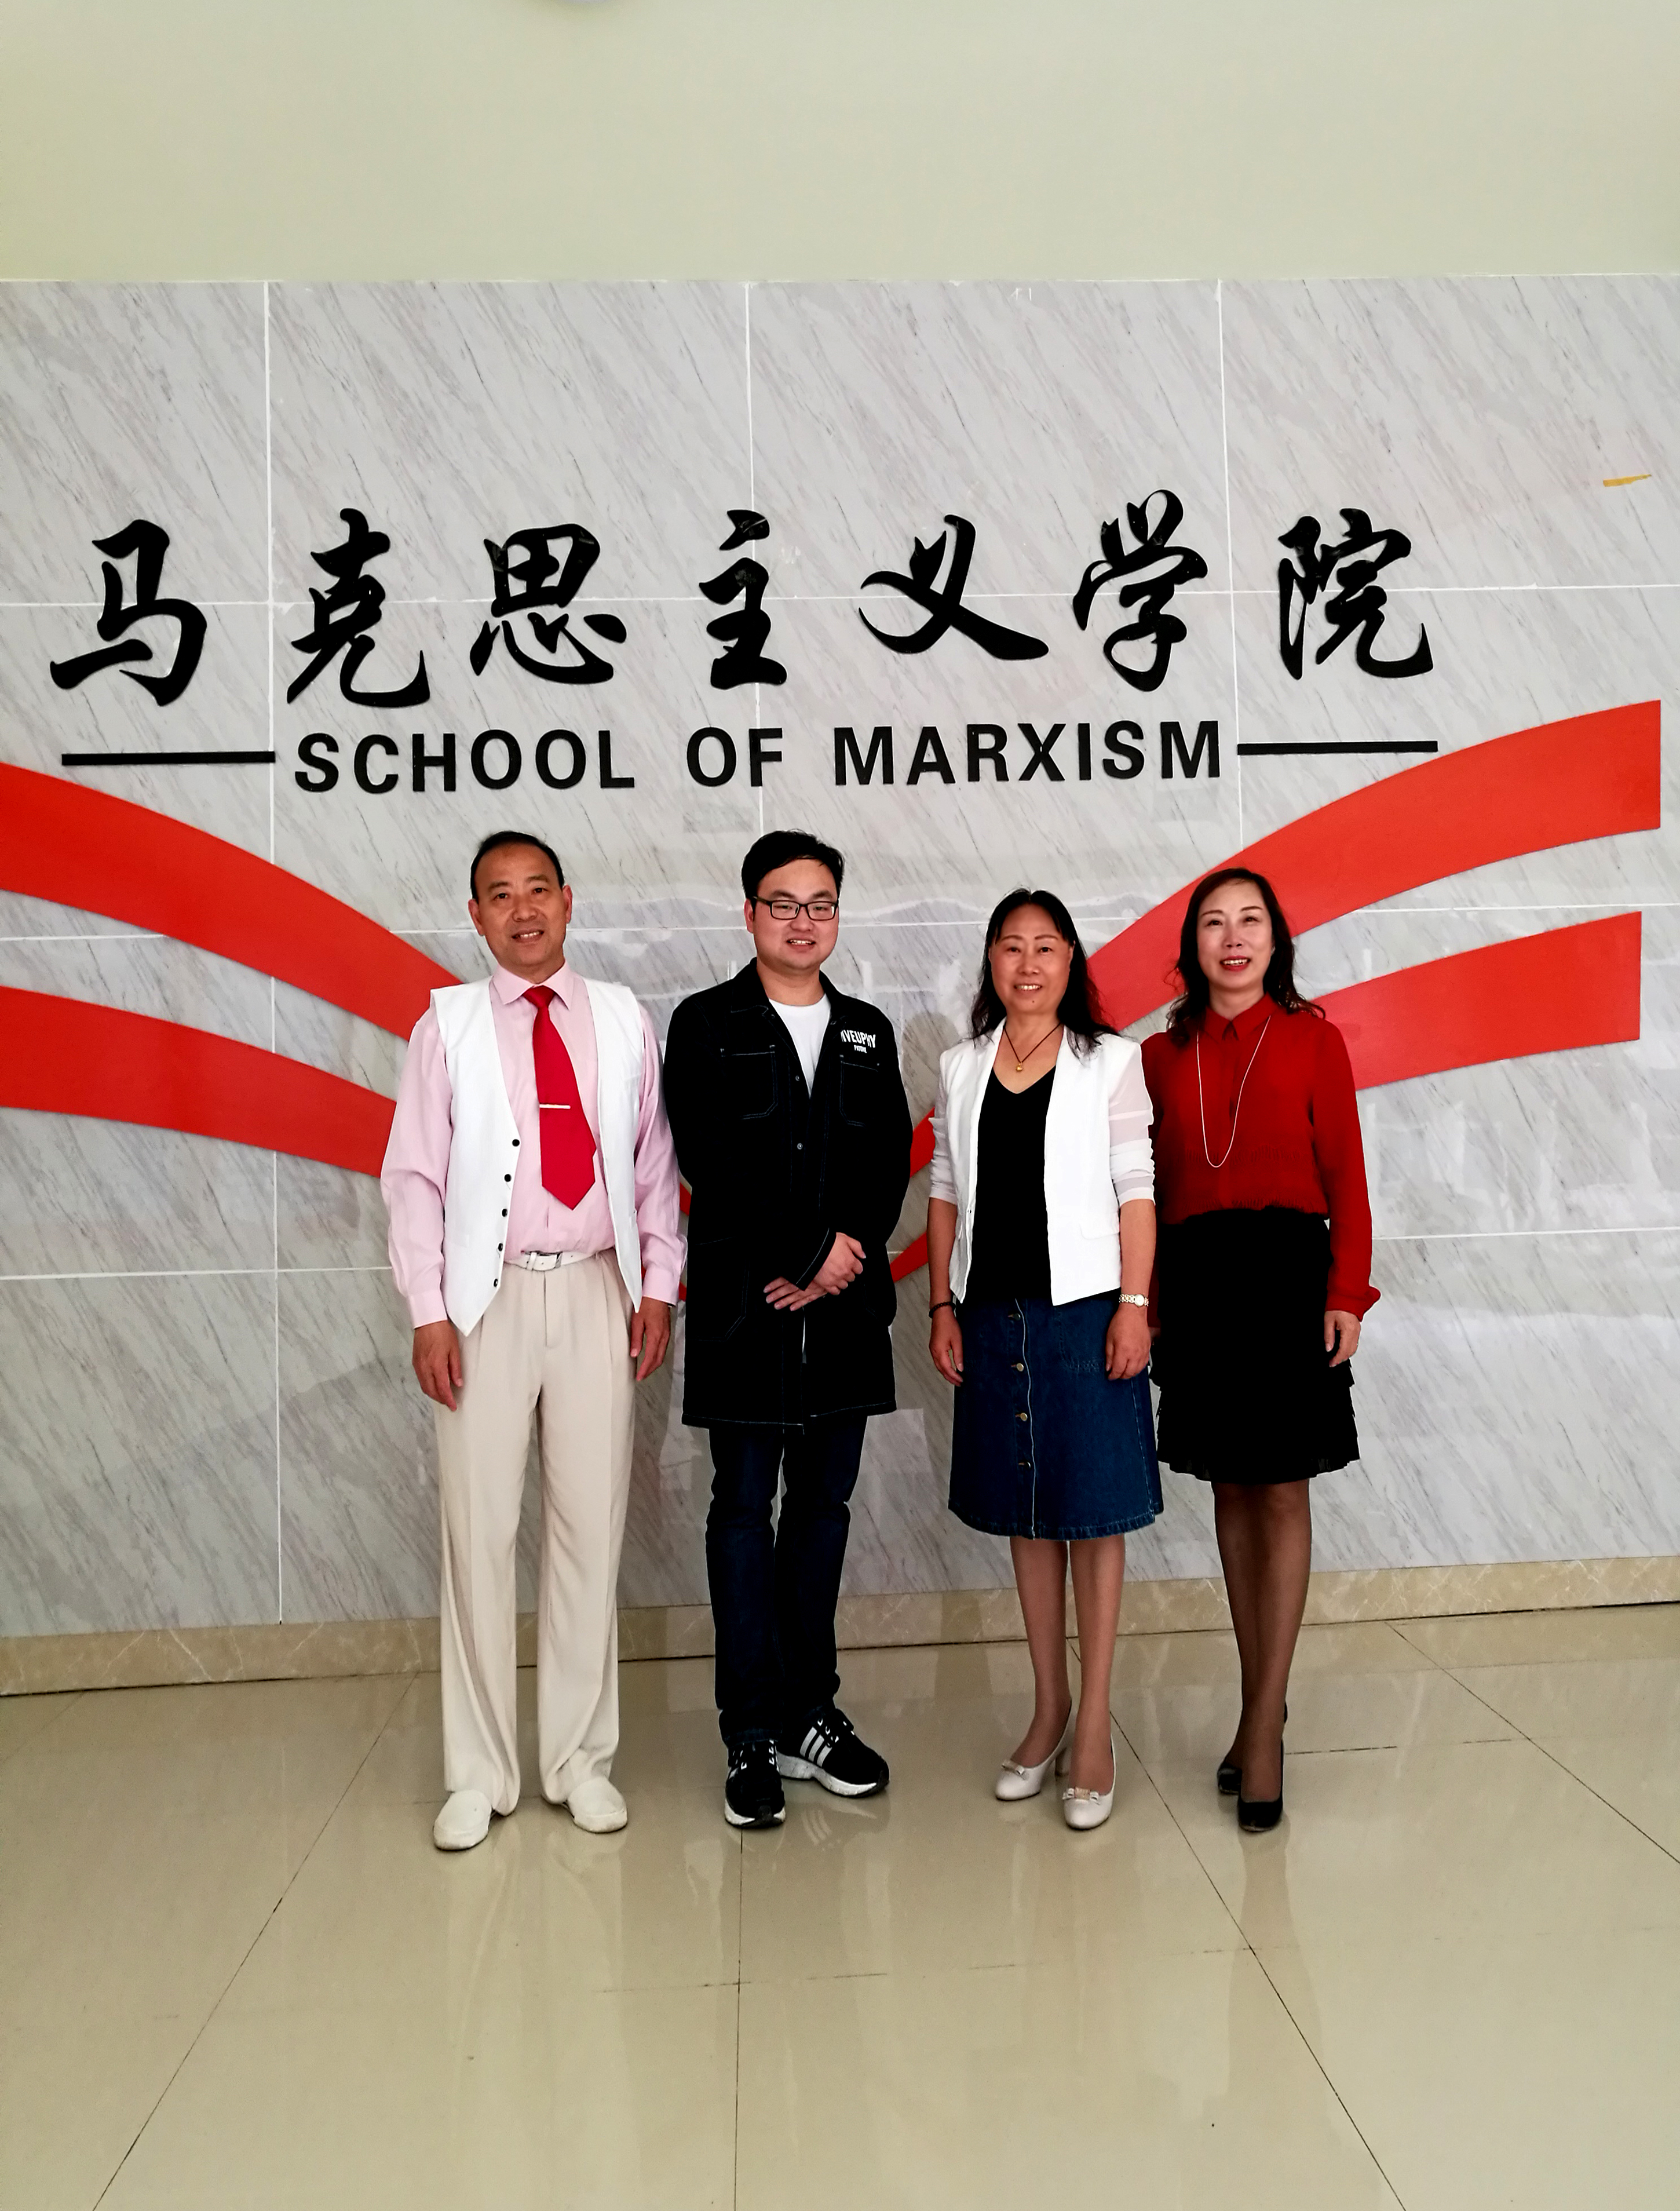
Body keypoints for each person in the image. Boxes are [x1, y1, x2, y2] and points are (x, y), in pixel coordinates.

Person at [381, 831, 684, 1852]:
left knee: (590, 1530)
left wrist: (659, 1287)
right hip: (484, 1301)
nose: (523, 910)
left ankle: (579, 1762)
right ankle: (477, 1775)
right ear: (476, 917)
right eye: (500, 895)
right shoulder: (447, 1026)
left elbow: (652, 1166)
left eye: (538, 890)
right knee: (477, 1534)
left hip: (599, 1288)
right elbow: (414, 1179)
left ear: (568, 901)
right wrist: (428, 1310)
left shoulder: (624, 1018)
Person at [663, 830, 912, 1830]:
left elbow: (888, 1158)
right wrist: (807, 1252)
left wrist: (840, 1257)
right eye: (783, 904)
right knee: (740, 1512)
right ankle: (751, 1732)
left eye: (820, 905)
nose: (803, 922)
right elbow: (709, 1157)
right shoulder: (706, 1022)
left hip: (842, 1317)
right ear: (750, 914)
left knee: (822, 1512)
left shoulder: (866, 1031)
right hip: (750, 1312)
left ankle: (813, 1713)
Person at [1142, 867, 1378, 1832]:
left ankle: (1264, 1727)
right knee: (1231, 1490)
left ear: (1275, 941)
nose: (1233, 938)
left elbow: (1348, 1176)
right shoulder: (1158, 1057)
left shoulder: (1315, 1040)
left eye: (1250, 922)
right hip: (1197, 1281)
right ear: (1192, 945)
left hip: (1287, 1278)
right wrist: (1147, 1303)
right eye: (1214, 923)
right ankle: (1258, 1705)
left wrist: (1348, 1292)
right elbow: (1146, 1190)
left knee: (1282, 1489)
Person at [926, 890, 1159, 1833]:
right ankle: (1049, 1708)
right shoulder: (960, 1065)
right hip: (993, 1315)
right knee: (1028, 1517)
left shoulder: (1112, 1062)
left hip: (1088, 1313)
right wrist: (941, 1303)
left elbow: (1138, 1192)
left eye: (1046, 948)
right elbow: (946, 1189)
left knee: (1093, 1515)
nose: (1028, 964)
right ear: (991, 962)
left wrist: (1135, 1307)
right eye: (1011, 948)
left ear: (1071, 962)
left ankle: (1094, 1725)